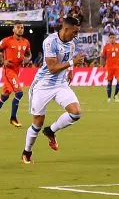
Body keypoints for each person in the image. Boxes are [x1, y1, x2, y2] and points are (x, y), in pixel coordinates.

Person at [21, 16, 86, 164]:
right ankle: (27, 151)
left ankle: (51, 131)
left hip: (61, 84)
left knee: (75, 113)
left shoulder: (72, 43)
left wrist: (71, 69)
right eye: (74, 32)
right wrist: (72, 62)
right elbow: (51, 68)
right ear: (66, 29)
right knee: (37, 123)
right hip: (43, 85)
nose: (76, 35)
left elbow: (69, 59)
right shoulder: (50, 42)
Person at [0, 23, 31, 129]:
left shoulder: (26, 42)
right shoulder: (7, 41)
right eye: (18, 27)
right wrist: (3, 61)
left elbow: (29, 54)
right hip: (8, 71)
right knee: (19, 93)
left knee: (5, 96)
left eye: (22, 28)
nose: (20, 29)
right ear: (13, 29)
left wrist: (27, 59)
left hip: (16, 71)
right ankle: (13, 118)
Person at [101, 35, 119, 103]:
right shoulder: (106, 47)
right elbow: (103, 56)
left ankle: (115, 95)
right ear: (109, 38)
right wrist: (102, 65)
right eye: (111, 38)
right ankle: (109, 97)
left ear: (115, 38)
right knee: (109, 82)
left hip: (117, 67)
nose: (112, 39)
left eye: (113, 37)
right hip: (109, 67)